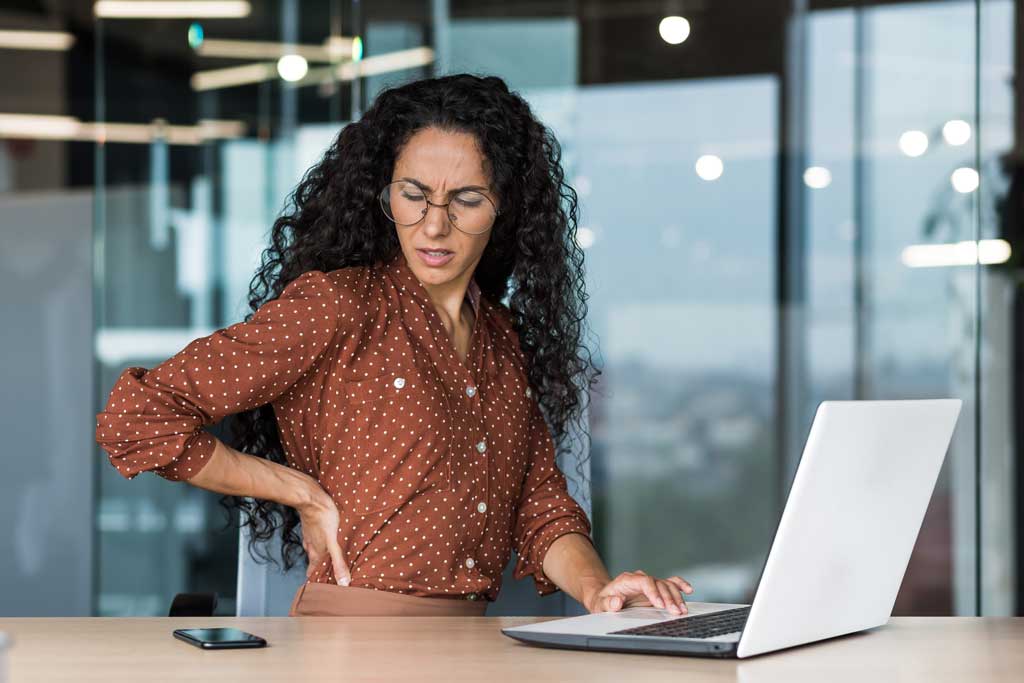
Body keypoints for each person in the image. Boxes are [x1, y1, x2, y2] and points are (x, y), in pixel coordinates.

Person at [96, 73, 694, 617]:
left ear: (505, 209)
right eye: (413, 194)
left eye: (466, 200)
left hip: (478, 648)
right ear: (383, 195)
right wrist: (298, 490)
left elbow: (542, 510)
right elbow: (139, 419)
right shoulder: (337, 306)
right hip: (357, 646)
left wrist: (598, 590)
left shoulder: (502, 341)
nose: (434, 225)